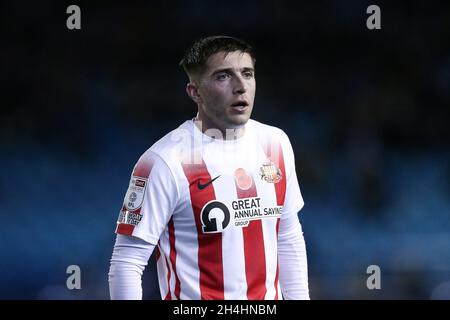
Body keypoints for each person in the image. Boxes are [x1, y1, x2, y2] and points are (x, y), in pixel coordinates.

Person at [108, 35, 310, 300]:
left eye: (247, 73)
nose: (240, 87)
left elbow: (287, 235)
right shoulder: (164, 161)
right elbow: (127, 262)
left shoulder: (276, 143)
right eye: (223, 76)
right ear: (195, 92)